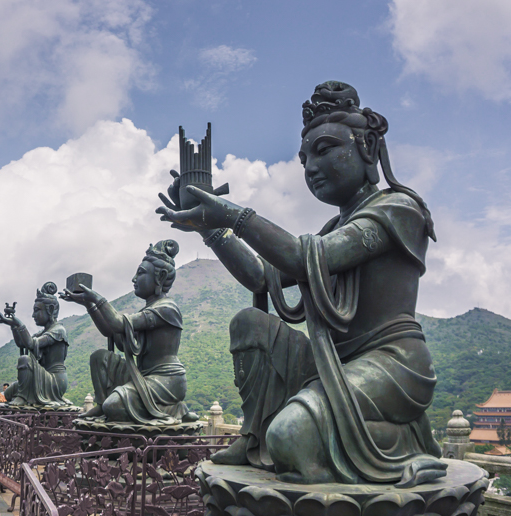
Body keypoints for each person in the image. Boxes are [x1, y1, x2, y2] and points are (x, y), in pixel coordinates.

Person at [156, 81, 445, 487]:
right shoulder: (335, 228)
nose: (310, 166)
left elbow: (302, 256)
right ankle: (254, 432)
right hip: (336, 363)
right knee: (248, 323)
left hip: (391, 365)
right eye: (304, 157)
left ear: (367, 148)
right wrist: (211, 231)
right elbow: (260, 276)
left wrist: (232, 215)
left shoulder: (398, 210)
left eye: (325, 150)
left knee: (289, 438)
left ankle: (402, 443)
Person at [62, 241, 196, 425]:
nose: (134, 279)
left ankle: (173, 408)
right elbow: (110, 330)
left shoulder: (167, 309)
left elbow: (117, 323)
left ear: (161, 276)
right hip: (142, 376)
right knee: (100, 357)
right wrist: (88, 304)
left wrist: (95, 297)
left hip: (165, 381)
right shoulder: (147, 310)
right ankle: (101, 403)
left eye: (140, 273)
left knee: (114, 406)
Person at [0, 282, 72, 407]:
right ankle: (23, 395)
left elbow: (31, 343)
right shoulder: (43, 332)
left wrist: (20, 325)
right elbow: (22, 343)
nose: (33, 315)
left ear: (51, 310)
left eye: (37, 310)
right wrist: (13, 326)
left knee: (25, 359)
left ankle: (23, 396)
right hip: (40, 377)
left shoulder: (58, 331)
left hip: (54, 381)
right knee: (8, 393)